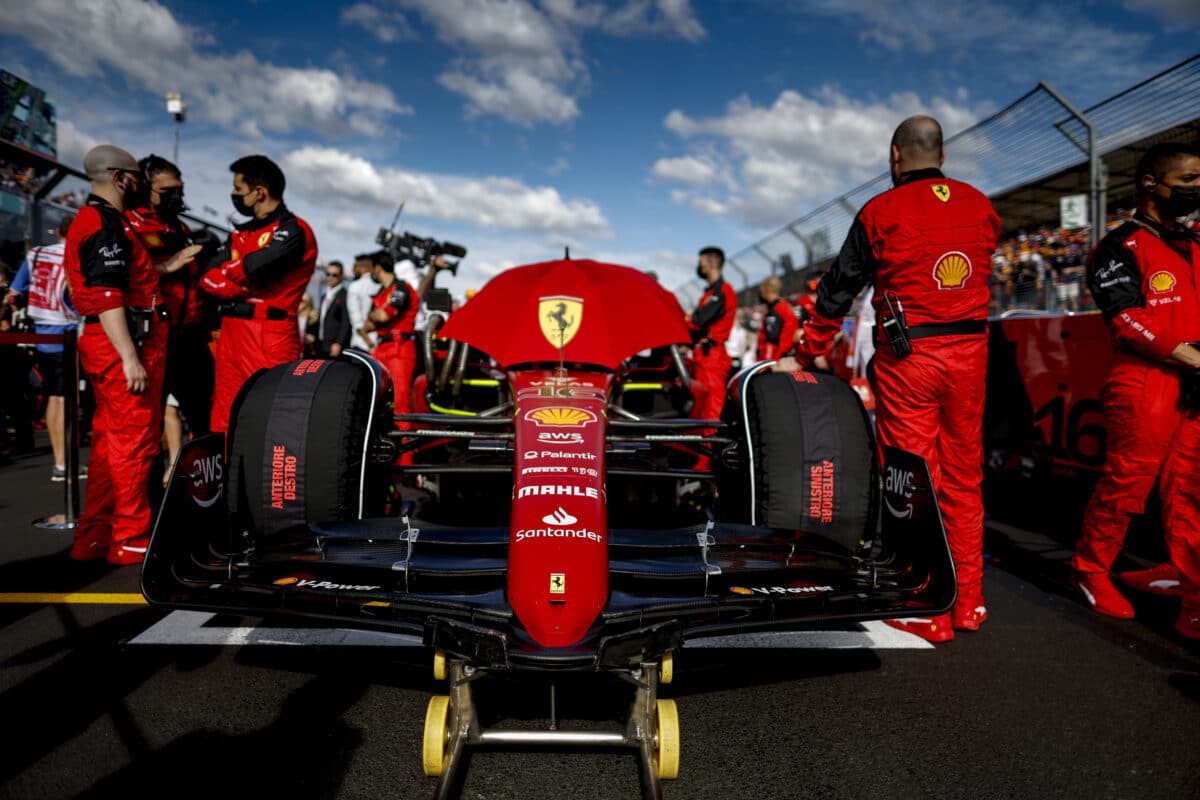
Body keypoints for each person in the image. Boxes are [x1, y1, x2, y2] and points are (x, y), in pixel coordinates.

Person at [782, 116, 1001, 642]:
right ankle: (968, 601)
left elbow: (839, 290)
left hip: (912, 358)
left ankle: (926, 603)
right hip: (971, 353)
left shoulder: (881, 210)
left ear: (895, 156)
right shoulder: (981, 204)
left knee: (912, 477)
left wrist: (806, 352)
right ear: (942, 156)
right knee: (965, 477)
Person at [1069, 142, 1200, 640]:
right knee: (1128, 484)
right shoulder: (1119, 247)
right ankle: (1089, 569)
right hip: (1146, 380)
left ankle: (1192, 590)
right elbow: (1125, 319)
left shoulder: (1195, 242)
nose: (1195, 189)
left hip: (1194, 383)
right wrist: (1192, 357)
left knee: (1191, 493)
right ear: (1151, 183)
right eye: (1187, 180)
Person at [62, 145, 200, 565]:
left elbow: (124, 278)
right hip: (125, 345)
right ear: (121, 179)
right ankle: (130, 536)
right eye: (138, 176)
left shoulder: (103, 222)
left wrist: (167, 265)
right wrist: (129, 355)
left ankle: (95, 535)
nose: (142, 184)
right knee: (134, 443)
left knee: (108, 444)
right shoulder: (105, 224)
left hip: (116, 344)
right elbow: (107, 294)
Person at [200, 155, 318, 433]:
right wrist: (236, 280)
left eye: (238, 190)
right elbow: (207, 276)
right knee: (224, 418)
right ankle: (228, 475)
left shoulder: (293, 230)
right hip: (230, 333)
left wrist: (232, 272)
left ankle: (266, 477)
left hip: (269, 334)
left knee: (271, 418)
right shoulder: (242, 233)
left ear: (259, 193)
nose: (233, 195)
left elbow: (254, 269)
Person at [125, 154, 215, 479]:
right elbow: (120, 276)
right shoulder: (129, 223)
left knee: (204, 417)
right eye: (167, 190)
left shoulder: (180, 227)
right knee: (148, 425)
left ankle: (203, 492)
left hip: (190, 337)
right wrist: (165, 265)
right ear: (146, 187)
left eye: (179, 189)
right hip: (152, 338)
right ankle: (146, 499)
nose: (176, 196)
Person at [5, 215, 84, 481]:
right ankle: (63, 464)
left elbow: (14, 292)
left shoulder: (36, 254)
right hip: (69, 333)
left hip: (42, 337)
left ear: (58, 231)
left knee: (55, 397)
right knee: (63, 399)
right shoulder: (79, 256)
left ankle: (62, 462)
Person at [360, 250, 419, 424]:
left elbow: (384, 316)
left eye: (371, 268)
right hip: (381, 350)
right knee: (376, 402)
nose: (370, 273)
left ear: (378, 268)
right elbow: (368, 326)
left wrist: (376, 315)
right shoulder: (380, 294)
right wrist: (376, 315)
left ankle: (406, 451)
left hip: (399, 349)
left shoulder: (401, 288)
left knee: (400, 404)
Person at [687, 246, 737, 425]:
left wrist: (687, 320)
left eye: (701, 264)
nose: (700, 268)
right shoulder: (709, 293)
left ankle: (707, 451)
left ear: (712, 264)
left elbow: (698, 320)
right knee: (700, 408)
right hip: (703, 356)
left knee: (709, 411)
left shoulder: (723, 291)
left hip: (712, 358)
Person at [755, 275, 798, 362]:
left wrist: (777, 360)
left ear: (768, 289)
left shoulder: (783, 308)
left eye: (761, 288)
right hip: (766, 357)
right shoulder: (769, 308)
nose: (760, 292)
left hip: (777, 360)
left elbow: (787, 337)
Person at [316, 260, 351, 357]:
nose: (330, 278)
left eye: (334, 275)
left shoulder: (345, 296)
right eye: (328, 274)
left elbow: (346, 322)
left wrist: (339, 343)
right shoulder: (324, 295)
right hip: (321, 344)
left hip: (334, 346)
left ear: (341, 276)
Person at [346, 253, 379, 353]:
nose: (353, 270)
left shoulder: (355, 286)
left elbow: (357, 321)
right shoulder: (381, 284)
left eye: (355, 266)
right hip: (379, 343)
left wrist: (370, 345)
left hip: (361, 344)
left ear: (363, 267)